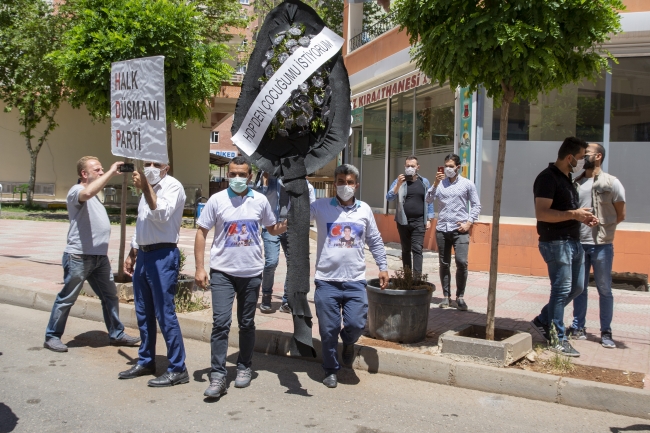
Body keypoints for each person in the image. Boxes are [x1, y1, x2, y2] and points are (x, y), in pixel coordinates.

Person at [194, 156, 287, 398]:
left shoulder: (261, 201)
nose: (237, 178)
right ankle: (218, 375)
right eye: (233, 174)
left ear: (249, 176)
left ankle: (245, 366)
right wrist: (200, 268)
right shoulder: (217, 200)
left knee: (246, 324)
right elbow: (202, 232)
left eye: (242, 174)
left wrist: (289, 224)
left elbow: (272, 228)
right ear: (228, 175)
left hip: (251, 273)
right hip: (222, 272)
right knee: (220, 324)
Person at [44, 157, 140, 352]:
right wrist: (113, 172)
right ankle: (52, 336)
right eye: (97, 169)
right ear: (84, 174)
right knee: (67, 298)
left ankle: (116, 333)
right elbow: (87, 192)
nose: (102, 172)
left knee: (110, 296)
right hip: (79, 256)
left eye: (102, 169)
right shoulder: (76, 191)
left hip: (99, 257)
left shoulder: (95, 195)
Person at [310, 164, 389, 388]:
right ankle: (330, 368)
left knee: (355, 323)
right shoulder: (321, 206)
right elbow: (299, 213)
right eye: (341, 182)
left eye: (350, 182)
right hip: (327, 280)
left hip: (355, 281)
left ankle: (349, 342)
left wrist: (383, 267)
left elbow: (374, 239)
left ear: (357, 185)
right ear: (334, 184)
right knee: (328, 329)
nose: (346, 186)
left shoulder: (364, 210)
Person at [119, 161, 189, 386]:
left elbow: (161, 214)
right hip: (145, 255)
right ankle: (146, 359)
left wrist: (146, 189)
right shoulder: (146, 187)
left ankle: (178, 368)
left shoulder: (173, 186)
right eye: (147, 163)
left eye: (155, 164)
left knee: (164, 313)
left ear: (166, 167)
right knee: (143, 311)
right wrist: (133, 251)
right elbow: (141, 222)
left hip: (163, 254)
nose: (150, 167)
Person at [531, 137, 598, 357]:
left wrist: (583, 217)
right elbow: (542, 213)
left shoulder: (567, 179)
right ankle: (557, 338)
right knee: (560, 291)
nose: (582, 162)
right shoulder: (547, 178)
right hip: (556, 242)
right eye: (580, 158)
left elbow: (567, 212)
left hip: (573, 240)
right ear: (569, 157)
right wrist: (573, 214)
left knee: (577, 288)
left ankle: (543, 319)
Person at [568, 142, 626, 349]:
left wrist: (604, 228)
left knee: (604, 289)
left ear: (599, 156)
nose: (583, 156)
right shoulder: (575, 183)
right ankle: (578, 327)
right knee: (579, 288)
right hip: (579, 244)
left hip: (601, 245)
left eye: (588, 153)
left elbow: (621, 214)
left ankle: (606, 332)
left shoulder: (612, 183)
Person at [426, 153, 481, 311]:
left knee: (461, 262)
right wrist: (435, 183)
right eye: (446, 166)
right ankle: (446, 297)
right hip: (442, 229)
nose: (448, 169)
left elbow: (476, 205)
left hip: (460, 229)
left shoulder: (467, 184)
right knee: (444, 264)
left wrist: (469, 223)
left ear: (458, 167)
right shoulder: (440, 184)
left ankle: (460, 297)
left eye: (451, 166)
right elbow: (428, 199)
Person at [256, 172, 315, 313]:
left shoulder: (306, 186)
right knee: (271, 262)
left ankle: (287, 300)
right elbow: (258, 195)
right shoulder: (270, 181)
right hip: (272, 226)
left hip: (292, 228)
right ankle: (266, 296)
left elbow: (311, 209)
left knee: (292, 263)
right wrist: (265, 177)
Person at [386, 156, 434, 276]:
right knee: (406, 249)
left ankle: (417, 278)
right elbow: (389, 197)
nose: (410, 168)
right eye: (408, 166)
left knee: (417, 249)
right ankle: (407, 277)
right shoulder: (399, 181)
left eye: (413, 166)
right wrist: (398, 184)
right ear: (404, 167)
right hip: (403, 221)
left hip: (419, 221)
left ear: (418, 167)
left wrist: (428, 218)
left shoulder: (424, 182)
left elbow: (429, 200)